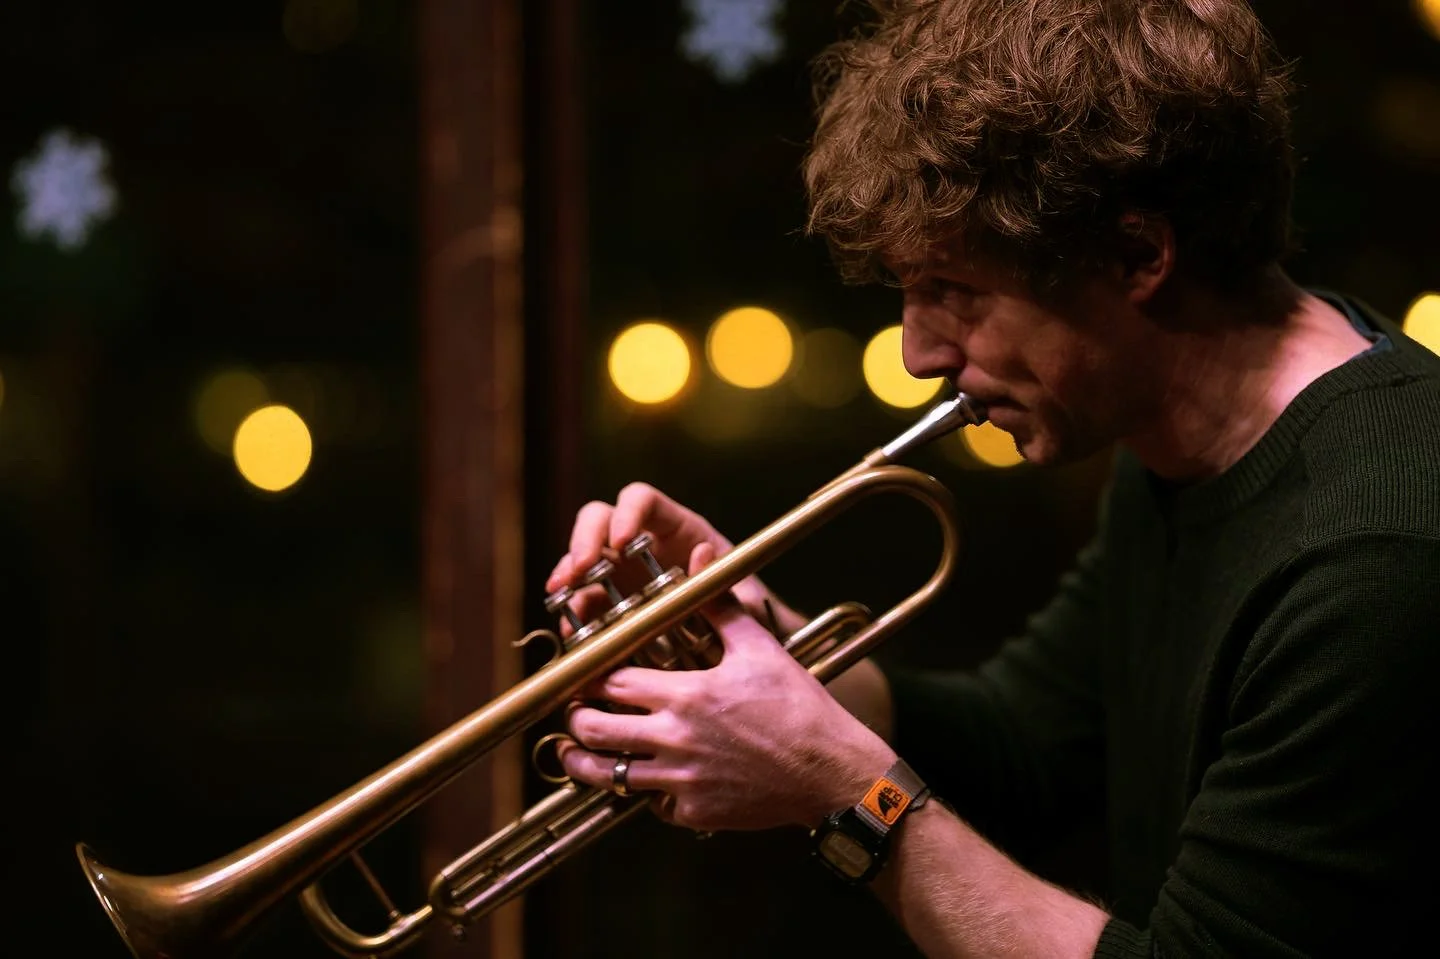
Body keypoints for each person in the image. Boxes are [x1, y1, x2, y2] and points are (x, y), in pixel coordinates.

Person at [548, 1, 1440, 955]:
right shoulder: (1181, 438)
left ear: (1138, 254)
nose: (918, 353)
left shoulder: (1376, 558)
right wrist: (763, 639)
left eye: (957, 292)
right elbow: (1026, 745)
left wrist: (849, 796)